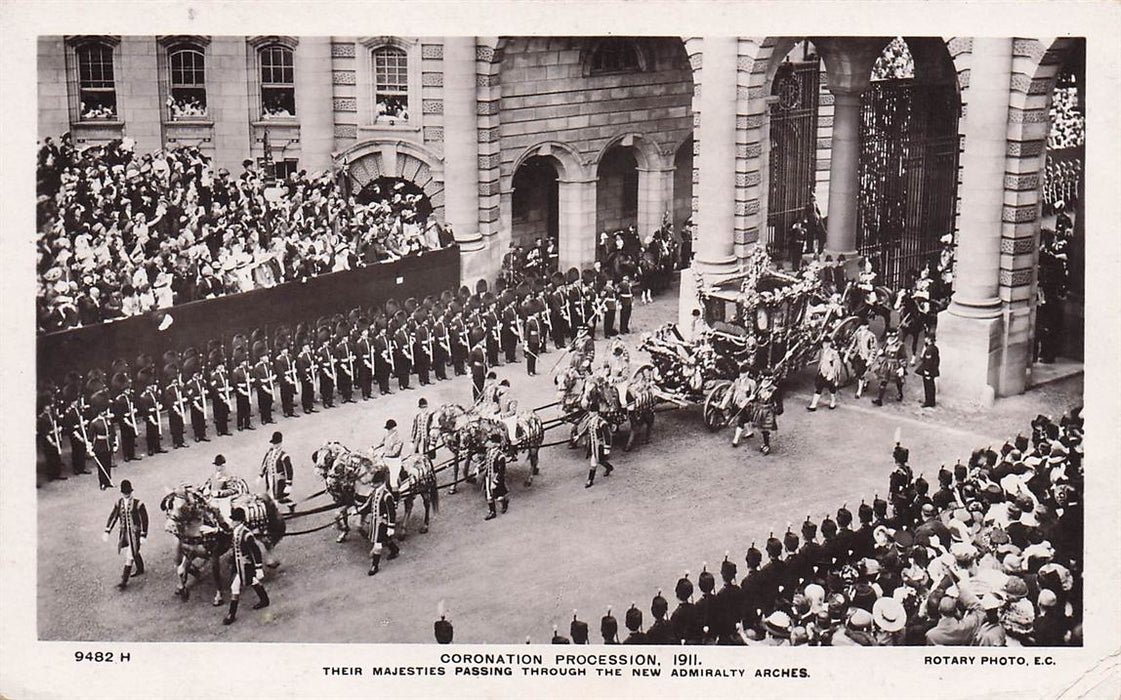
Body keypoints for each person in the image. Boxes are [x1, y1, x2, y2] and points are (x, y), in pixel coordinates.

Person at [222, 506, 270, 625]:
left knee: (235, 587)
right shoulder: (236, 531)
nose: (232, 522)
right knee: (253, 581)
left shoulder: (246, 534)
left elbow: (256, 551)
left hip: (246, 565)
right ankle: (264, 600)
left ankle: (231, 614)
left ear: (240, 521)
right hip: (240, 565)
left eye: (234, 520)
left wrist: (259, 567)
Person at [103, 479, 148, 590]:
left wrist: (143, 534)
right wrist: (107, 530)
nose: (127, 494)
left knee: (130, 555)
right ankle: (140, 568)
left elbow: (144, 520)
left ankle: (124, 581)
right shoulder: (119, 503)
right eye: (125, 492)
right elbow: (114, 516)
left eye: (128, 492)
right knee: (133, 550)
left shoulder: (138, 504)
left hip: (135, 534)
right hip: (124, 533)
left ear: (131, 492)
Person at [366, 474, 400, 576]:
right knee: (385, 539)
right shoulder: (374, 493)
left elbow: (391, 513)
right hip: (375, 522)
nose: (372, 485)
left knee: (378, 544)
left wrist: (391, 527)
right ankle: (394, 549)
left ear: (380, 483)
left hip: (382, 523)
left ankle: (374, 565)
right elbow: (368, 505)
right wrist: (358, 510)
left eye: (374, 483)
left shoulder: (387, 495)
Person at [844, 317, 878, 399]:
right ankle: (865, 382)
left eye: (862, 326)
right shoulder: (858, 334)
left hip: (866, 357)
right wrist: (847, 354)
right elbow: (853, 344)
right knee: (858, 371)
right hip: (858, 355)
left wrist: (870, 360)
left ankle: (859, 391)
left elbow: (874, 349)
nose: (860, 328)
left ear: (866, 326)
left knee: (861, 374)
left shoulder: (871, 336)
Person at [872, 330, 907, 406]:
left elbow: (903, 357)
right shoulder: (886, 343)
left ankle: (900, 393)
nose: (890, 338)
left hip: (895, 365)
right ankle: (879, 399)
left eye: (892, 337)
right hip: (886, 364)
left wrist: (902, 367)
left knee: (898, 381)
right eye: (889, 337)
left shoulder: (900, 345)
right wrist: (881, 353)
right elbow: (884, 353)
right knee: (883, 380)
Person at [260, 431, 294, 509]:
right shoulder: (269, 452)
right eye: (273, 443)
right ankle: (287, 505)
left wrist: (288, 484)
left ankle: (276, 513)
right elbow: (265, 462)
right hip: (269, 478)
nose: (274, 445)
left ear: (280, 443)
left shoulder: (284, 455)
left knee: (277, 496)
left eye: (276, 443)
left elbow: (289, 470)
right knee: (271, 495)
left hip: (279, 480)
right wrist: (261, 474)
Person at [807, 336, 842, 411]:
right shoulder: (821, 351)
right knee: (818, 388)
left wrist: (831, 375)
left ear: (829, 344)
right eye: (824, 343)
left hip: (829, 374)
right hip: (822, 372)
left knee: (832, 389)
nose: (824, 345)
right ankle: (813, 405)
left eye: (826, 343)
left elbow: (836, 365)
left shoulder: (833, 353)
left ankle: (833, 402)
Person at [483, 432, 509, 521]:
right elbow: (486, 462)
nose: (488, 443)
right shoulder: (489, 452)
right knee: (489, 495)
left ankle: (504, 502)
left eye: (490, 441)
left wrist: (495, 481)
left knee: (498, 496)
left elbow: (501, 471)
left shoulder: (500, 456)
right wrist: (479, 468)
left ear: (495, 444)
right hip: (488, 477)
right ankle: (492, 512)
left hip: (495, 478)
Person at [916, 335, 940, 408]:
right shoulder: (935, 348)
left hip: (929, 371)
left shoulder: (929, 349)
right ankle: (931, 401)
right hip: (933, 370)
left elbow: (928, 362)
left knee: (928, 386)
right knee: (931, 386)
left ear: (929, 339)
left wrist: (927, 371)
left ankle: (928, 402)